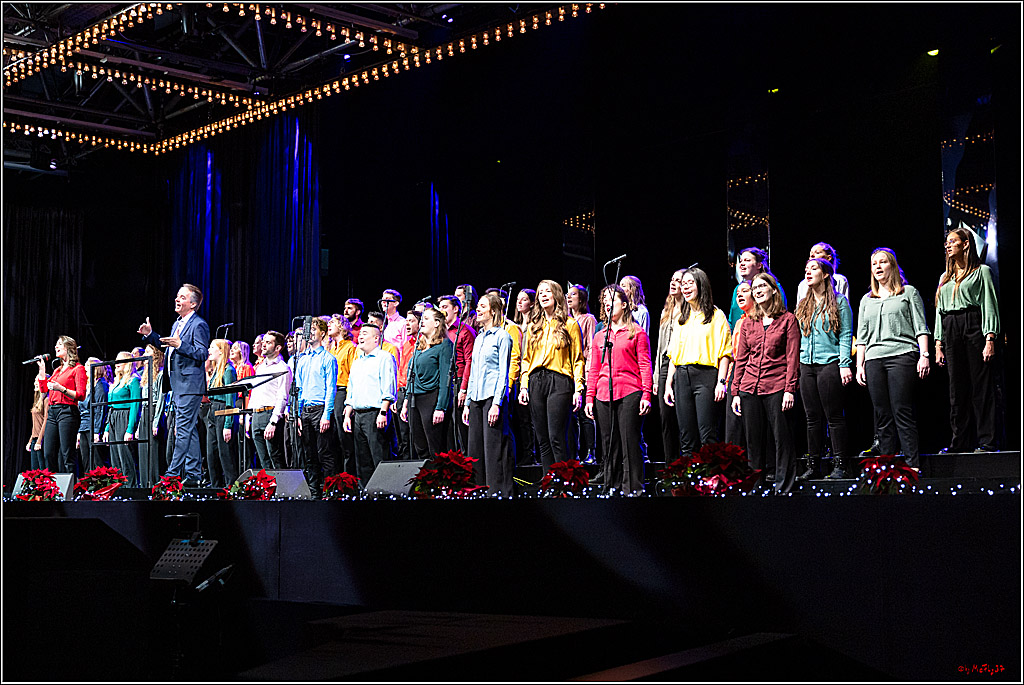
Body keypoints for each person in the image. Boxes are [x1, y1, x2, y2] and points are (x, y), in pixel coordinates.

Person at [855, 248, 931, 469]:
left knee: (901, 410)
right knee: (882, 414)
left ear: (892, 265)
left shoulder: (908, 292)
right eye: (874, 263)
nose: (877, 266)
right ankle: (886, 468)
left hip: (901, 355)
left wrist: (924, 355)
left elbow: (921, 327)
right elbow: (862, 337)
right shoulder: (866, 300)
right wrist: (860, 365)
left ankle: (912, 465)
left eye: (883, 262)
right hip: (873, 360)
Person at [731, 273, 800, 494]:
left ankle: (783, 487)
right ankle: (755, 487)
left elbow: (792, 358)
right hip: (749, 387)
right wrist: (735, 391)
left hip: (777, 386)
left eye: (763, 286)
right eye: (755, 287)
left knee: (782, 439)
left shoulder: (788, 320)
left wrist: (790, 389)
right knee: (753, 441)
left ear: (773, 290)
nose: (758, 290)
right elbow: (741, 359)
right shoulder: (748, 323)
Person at [934, 228, 1001, 453]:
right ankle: (959, 441)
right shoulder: (945, 278)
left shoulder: (982, 271)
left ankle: (987, 440)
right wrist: (938, 344)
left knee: (981, 385)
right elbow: (939, 313)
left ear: (965, 244)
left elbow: (989, 304)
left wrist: (989, 338)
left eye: (952, 241)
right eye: (946, 242)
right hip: (951, 328)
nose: (947, 245)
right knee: (957, 388)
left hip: (973, 323)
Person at [138, 283, 210, 486]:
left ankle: (172, 474)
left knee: (183, 429)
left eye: (183, 297)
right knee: (190, 430)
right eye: (177, 296)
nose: (177, 299)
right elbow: (166, 343)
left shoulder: (198, 325)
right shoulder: (178, 323)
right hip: (178, 385)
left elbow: (202, 353)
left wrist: (181, 345)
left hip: (190, 386)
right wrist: (150, 335)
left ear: (193, 304)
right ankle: (194, 475)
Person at [585, 285, 653, 495]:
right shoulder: (600, 336)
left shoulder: (637, 333)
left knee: (629, 441)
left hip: (630, 391)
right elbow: (594, 368)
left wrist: (647, 394)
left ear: (624, 305)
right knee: (608, 443)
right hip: (603, 393)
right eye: (604, 299)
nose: (606, 302)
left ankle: (633, 489)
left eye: (611, 298)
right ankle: (612, 488)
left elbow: (644, 365)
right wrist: (589, 397)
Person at [795, 258, 853, 480]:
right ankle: (813, 466)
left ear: (826, 274)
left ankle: (840, 465)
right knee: (812, 418)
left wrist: (844, 364)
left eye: (814, 268)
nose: (808, 272)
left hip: (829, 364)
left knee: (834, 416)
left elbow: (846, 335)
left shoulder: (839, 302)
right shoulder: (803, 304)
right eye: (806, 268)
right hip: (807, 365)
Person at [518, 280, 585, 471]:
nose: (543, 295)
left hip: (560, 381)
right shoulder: (533, 326)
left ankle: (564, 482)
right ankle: (549, 482)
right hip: (536, 381)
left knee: (556, 435)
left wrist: (578, 389)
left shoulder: (569, 324)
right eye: (540, 293)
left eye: (548, 291)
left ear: (556, 295)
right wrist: (524, 385)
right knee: (543, 438)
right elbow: (526, 359)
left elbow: (578, 359)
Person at [663, 268, 732, 453]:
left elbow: (725, 352)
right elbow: (673, 355)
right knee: (686, 438)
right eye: (683, 284)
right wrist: (668, 384)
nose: (685, 287)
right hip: (682, 378)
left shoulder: (716, 316)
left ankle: (711, 481)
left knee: (707, 436)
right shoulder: (681, 319)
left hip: (706, 377)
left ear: (701, 285)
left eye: (689, 283)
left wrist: (721, 382)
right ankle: (690, 481)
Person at [462, 292, 514, 496]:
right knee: (475, 449)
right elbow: (474, 372)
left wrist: (497, 403)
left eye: (483, 306)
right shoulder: (479, 338)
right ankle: (479, 490)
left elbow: (503, 372)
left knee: (494, 448)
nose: (478, 309)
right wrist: (467, 403)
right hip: (476, 398)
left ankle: (498, 492)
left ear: (493, 310)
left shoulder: (503, 336)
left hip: (492, 397)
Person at [344, 322, 398, 480]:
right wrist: (347, 415)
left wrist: (383, 412)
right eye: (360, 333)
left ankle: (385, 494)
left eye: (365, 333)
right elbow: (352, 390)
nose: (360, 336)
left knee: (379, 455)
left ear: (376, 338)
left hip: (376, 414)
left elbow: (389, 387)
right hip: (358, 415)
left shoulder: (384, 358)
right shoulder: (358, 361)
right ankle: (366, 495)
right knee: (362, 459)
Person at [401, 308, 455, 459]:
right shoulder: (419, 346)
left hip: (431, 399)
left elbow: (446, 379)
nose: (422, 321)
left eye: (426, 318)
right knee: (420, 446)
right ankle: (425, 479)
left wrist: (440, 407)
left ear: (437, 323)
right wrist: (406, 401)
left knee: (435, 447)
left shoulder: (444, 346)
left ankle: (440, 480)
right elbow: (412, 375)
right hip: (414, 399)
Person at [295, 317, 339, 497]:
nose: (310, 332)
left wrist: (326, 415)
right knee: (309, 454)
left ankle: (330, 491)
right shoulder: (303, 359)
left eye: (314, 329)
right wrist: (298, 414)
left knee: (325, 453)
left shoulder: (328, 358)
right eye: (309, 329)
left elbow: (331, 388)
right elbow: (299, 388)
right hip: (305, 411)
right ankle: (314, 491)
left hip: (320, 409)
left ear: (322, 333)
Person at [36, 335, 88, 475]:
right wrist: (42, 373)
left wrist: (62, 389)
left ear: (68, 348)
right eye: (56, 344)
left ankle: (72, 489)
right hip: (53, 412)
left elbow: (81, 395)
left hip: (67, 411)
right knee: (48, 453)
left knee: (67, 453)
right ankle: (52, 489)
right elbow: (44, 391)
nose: (56, 347)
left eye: (59, 344)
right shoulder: (57, 370)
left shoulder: (78, 369)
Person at [247, 330, 291, 470]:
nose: (263, 345)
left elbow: (282, 396)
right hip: (257, 415)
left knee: (275, 456)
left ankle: (282, 490)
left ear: (277, 348)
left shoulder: (282, 368)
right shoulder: (260, 367)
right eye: (263, 342)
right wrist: (249, 416)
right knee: (263, 460)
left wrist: (273, 421)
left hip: (270, 414)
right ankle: (268, 489)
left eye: (268, 342)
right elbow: (255, 393)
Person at [438, 295, 476, 450]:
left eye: (445, 307)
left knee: (461, 428)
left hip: (459, 382)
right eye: (440, 307)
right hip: (445, 384)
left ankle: (467, 465)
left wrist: (463, 389)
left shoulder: (465, 331)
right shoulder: (440, 333)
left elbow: (469, 362)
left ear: (456, 309)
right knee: (446, 431)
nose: (442, 311)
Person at [653, 270, 684, 463]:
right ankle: (671, 463)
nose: (673, 283)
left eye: (678, 280)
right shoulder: (665, 311)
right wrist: (657, 377)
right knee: (666, 418)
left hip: (681, 364)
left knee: (683, 417)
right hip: (665, 365)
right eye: (672, 279)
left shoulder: (689, 311)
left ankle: (687, 464)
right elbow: (658, 348)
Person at [567, 284, 598, 464]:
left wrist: (588, 372)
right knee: (573, 415)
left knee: (586, 415)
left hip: (584, 370)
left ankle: (590, 452)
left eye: (573, 295)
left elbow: (592, 348)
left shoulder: (589, 319)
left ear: (582, 298)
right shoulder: (566, 320)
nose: (569, 298)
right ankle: (575, 453)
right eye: (568, 295)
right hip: (569, 372)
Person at [723, 280, 754, 448]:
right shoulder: (739, 323)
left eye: (744, 291)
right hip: (736, 375)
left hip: (752, 373)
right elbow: (734, 355)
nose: (739, 294)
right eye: (737, 292)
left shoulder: (758, 321)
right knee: (733, 427)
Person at [326, 315, 359, 474]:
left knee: (343, 437)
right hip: (330, 393)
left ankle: (349, 477)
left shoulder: (350, 347)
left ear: (342, 326)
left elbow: (354, 374)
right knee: (332, 439)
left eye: (332, 323)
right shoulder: (331, 348)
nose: (329, 325)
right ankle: (336, 478)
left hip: (342, 391)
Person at [103, 351, 141, 486]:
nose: (116, 363)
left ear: (128, 363)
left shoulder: (133, 380)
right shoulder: (116, 382)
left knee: (125, 455)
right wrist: (107, 428)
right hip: (114, 419)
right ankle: (118, 488)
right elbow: (111, 407)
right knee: (115, 457)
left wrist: (130, 429)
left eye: (120, 360)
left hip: (124, 418)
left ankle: (130, 487)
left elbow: (135, 405)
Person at [728, 247, 788, 329]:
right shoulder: (738, 290)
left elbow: (781, 317)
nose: (741, 264)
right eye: (741, 261)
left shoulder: (772, 287)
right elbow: (732, 320)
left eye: (747, 260)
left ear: (759, 265)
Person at [205, 339, 238, 488]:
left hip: (223, 411)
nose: (209, 350)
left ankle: (231, 487)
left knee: (225, 453)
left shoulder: (228, 371)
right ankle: (215, 487)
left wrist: (228, 424)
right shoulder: (216, 371)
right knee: (211, 453)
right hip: (212, 411)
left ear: (221, 351)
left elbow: (230, 399)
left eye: (212, 347)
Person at [511, 288, 538, 466]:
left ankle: (534, 453)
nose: (520, 302)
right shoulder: (515, 326)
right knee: (521, 419)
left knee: (532, 417)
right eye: (518, 300)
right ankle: (526, 452)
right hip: (518, 374)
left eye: (524, 299)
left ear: (532, 303)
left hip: (530, 373)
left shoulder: (535, 325)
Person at [136, 344, 166, 488]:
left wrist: (155, 422)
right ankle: (144, 485)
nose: (145, 354)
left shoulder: (160, 374)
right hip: (145, 412)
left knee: (154, 451)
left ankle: (155, 485)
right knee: (143, 451)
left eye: (148, 352)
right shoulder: (145, 375)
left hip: (155, 411)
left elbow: (161, 399)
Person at [76, 358, 109, 473]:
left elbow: (100, 410)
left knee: (97, 460)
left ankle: (101, 487)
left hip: (93, 426)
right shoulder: (87, 386)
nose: (84, 370)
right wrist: (79, 432)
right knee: (86, 460)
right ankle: (88, 486)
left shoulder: (101, 385)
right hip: (84, 426)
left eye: (87, 367)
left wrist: (96, 431)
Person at [395, 310, 421, 459]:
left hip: (415, 392)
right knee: (403, 435)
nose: (407, 324)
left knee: (415, 433)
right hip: (402, 391)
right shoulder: (406, 345)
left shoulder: (423, 343)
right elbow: (401, 369)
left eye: (411, 321)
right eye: (406, 321)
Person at [27, 383, 49, 470]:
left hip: (42, 439)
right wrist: (30, 440)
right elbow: (35, 424)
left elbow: (45, 421)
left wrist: (39, 441)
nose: (35, 383)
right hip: (35, 438)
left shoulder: (46, 400)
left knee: (42, 470)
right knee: (34, 470)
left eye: (38, 381)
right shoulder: (37, 400)